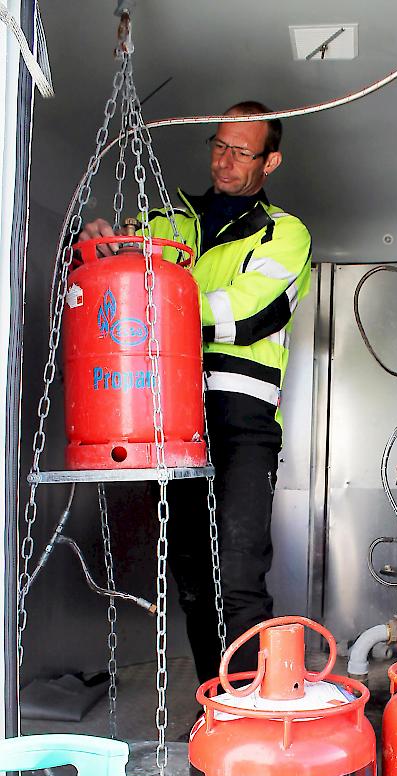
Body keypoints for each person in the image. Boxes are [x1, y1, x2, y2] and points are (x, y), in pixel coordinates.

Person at [80, 101, 312, 682]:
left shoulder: (285, 233)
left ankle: (250, 708)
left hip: (242, 422)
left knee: (237, 573)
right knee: (192, 575)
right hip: (170, 419)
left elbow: (249, 313)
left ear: (270, 161)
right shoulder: (163, 222)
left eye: (241, 151)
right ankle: (217, 700)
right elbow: (112, 293)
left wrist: (153, 305)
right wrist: (105, 247)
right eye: (218, 145)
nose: (224, 161)